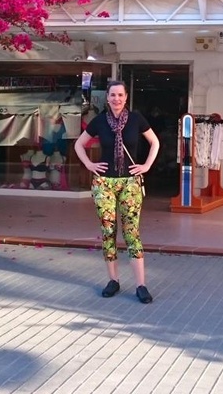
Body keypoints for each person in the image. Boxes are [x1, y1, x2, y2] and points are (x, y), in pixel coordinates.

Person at [74, 80, 160, 304]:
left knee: (132, 233)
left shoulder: (136, 119)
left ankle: (141, 285)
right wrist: (89, 164)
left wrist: (146, 166)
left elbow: (155, 142)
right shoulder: (100, 120)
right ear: (108, 97)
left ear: (126, 97)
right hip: (104, 183)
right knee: (108, 231)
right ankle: (113, 280)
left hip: (130, 182)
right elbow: (79, 144)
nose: (116, 99)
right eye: (113, 95)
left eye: (120, 95)